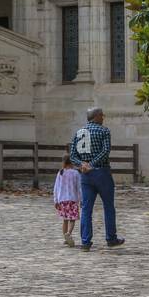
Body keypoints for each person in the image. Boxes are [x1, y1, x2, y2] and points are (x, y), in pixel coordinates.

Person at [69, 107, 125, 251]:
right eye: (101, 115)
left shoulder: (78, 132)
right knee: (108, 207)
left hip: (85, 175)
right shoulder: (104, 131)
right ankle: (111, 238)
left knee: (86, 208)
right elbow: (106, 151)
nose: (103, 117)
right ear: (96, 116)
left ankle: (85, 241)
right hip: (101, 172)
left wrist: (83, 164)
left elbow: (72, 155)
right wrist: (92, 164)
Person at [53, 154, 81, 247]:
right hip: (73, 199)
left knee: (65, 220)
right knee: (72, 219)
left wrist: (56, 200)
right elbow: (79, 187)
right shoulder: (76, 173)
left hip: (62, 200)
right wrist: (81, 199)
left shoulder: (60, 172)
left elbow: (56, 187)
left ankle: (65, 238)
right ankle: (69, 233)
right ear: (72, 162)